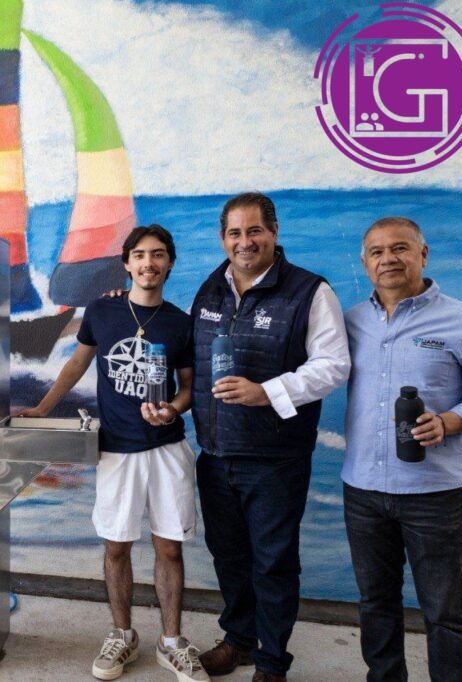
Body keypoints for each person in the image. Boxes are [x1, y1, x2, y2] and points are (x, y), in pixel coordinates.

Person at [22, 225, 207, 682]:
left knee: (169, 547)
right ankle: (122, 635)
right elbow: (76, 363)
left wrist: (172, 409)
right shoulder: (102, 309)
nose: (149, 263)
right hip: (116, 451)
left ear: (169, 262)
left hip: (167, 448)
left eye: (158, 255)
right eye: (139, 255)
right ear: (126, 263)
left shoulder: (180, 322)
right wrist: (43, 408)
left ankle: (171, 642)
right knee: (117, 546)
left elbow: (188, 388)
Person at [190, 192, 349, 682]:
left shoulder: (310, 291)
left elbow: (333, 365)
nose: (245, 241)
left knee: (274, 563)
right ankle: (238, 640)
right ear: (223, 238)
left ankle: (272, 661)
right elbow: (189, 357)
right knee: (229, 557)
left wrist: (267, 392)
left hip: (275, 458)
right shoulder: (210, 289)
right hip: (215, 453)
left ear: (274, 233)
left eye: (254, 230)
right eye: (234, 233)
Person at [342, 217, 462, 682]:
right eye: (376, 252)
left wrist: (449, 422)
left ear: (423, 255)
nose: (388, 259)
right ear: (365, 263)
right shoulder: (350, 322)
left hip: (434, 494)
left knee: (444, 610)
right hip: (363, 489)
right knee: (375, 603)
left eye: (400, 248)